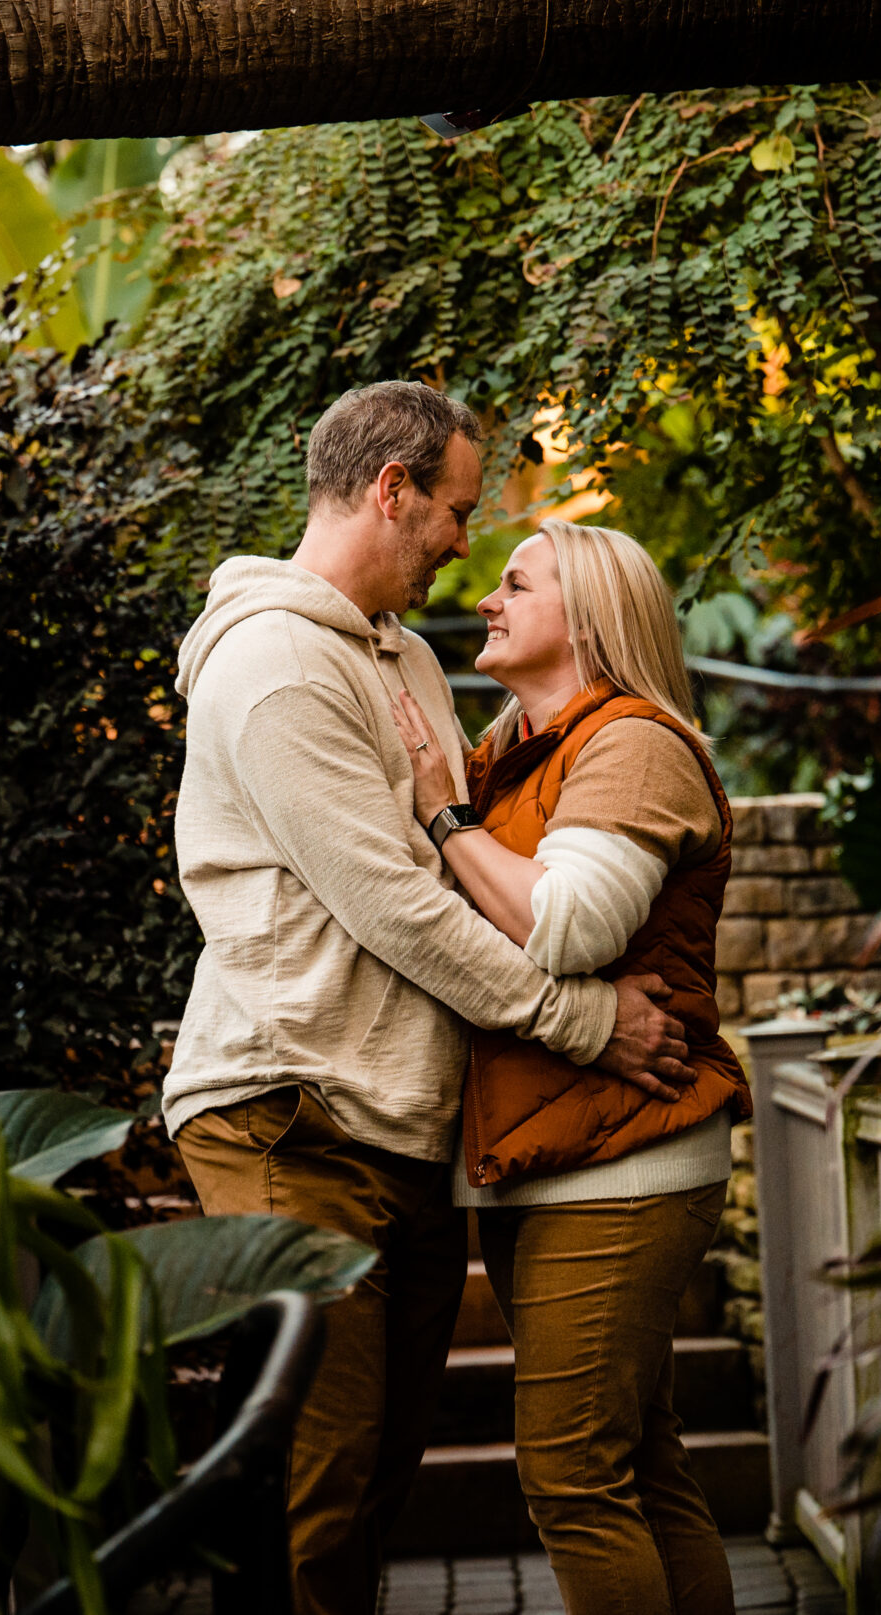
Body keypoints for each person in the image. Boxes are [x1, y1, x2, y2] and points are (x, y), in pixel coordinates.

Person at [161, 383, 697, 1615]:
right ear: (392, 489)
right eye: (457, 510)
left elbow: (475, 849)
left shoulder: (396, 652)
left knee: (372, 1484)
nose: (468, 544)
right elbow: (393, 904)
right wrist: (584, 1020)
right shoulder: (276, 663)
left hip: (399, 1125)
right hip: (292, 1107)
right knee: (317, 1484)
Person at [388, 518, 752, 1615]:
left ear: (588, 617)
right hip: (557, 1151)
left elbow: (566, 924)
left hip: (621, 1160)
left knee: (572, 1479)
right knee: (639, 1464)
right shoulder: (525, 753)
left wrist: (444, 815)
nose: (487, 598)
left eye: (516, 582)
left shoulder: (632, 742)